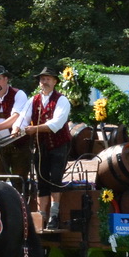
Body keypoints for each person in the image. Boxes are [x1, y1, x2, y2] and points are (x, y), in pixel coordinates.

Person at [23, 65, 73, 231]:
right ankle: (41, 215)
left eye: (47, 79)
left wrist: (33, 129)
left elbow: (56, 124)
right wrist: (18, 128)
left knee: (55, 179)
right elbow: (23, 119)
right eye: (42, 79)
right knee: (42, 179)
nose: (44, 82)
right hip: (42, 146)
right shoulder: (34, 100)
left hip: (59, 145)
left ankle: (54, 214)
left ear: (54, 82)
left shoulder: (61, 100)